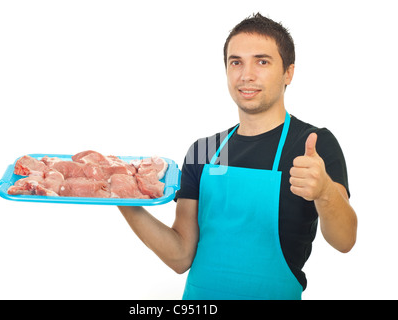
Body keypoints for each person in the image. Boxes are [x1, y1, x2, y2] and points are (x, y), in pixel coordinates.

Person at [118, 13, 357, 300]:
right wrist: (124, 199)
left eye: (262, 61)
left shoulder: (311, 144)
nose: (246, 75)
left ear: (288, 73)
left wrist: (325, 192)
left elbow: (345, 241)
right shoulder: (204, 149)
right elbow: (180, 256)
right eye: (236, 62)